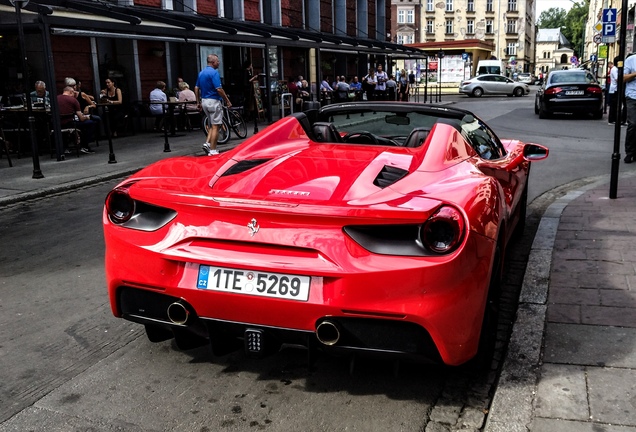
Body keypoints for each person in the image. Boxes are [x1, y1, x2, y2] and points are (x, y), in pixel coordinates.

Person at [195, 53, 232, 156]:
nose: (219, 63)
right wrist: (227, 100)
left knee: (212, 124)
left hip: (204, 101)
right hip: (214, 101)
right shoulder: (214, 73)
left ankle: (207, 143)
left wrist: (198, 102)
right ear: (212, 62)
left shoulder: (201, 73)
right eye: (217, 61)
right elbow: (219, 89)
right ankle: (213, 150)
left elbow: (196, 88)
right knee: (216, 126)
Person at [57, 85, 96, 154]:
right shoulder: (73, 100)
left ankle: (65, 147)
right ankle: (84, 146)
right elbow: (81, 118)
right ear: (71, 92)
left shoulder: (56, 98)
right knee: (90, 123)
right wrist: (86, 117)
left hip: (58, 124)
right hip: (71, 123)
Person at [623, 53, 636, 163]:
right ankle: (630, 152)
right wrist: (635, 74)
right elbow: (623, 78)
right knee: (633, 124)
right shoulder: (631, 60)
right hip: (632, 96)